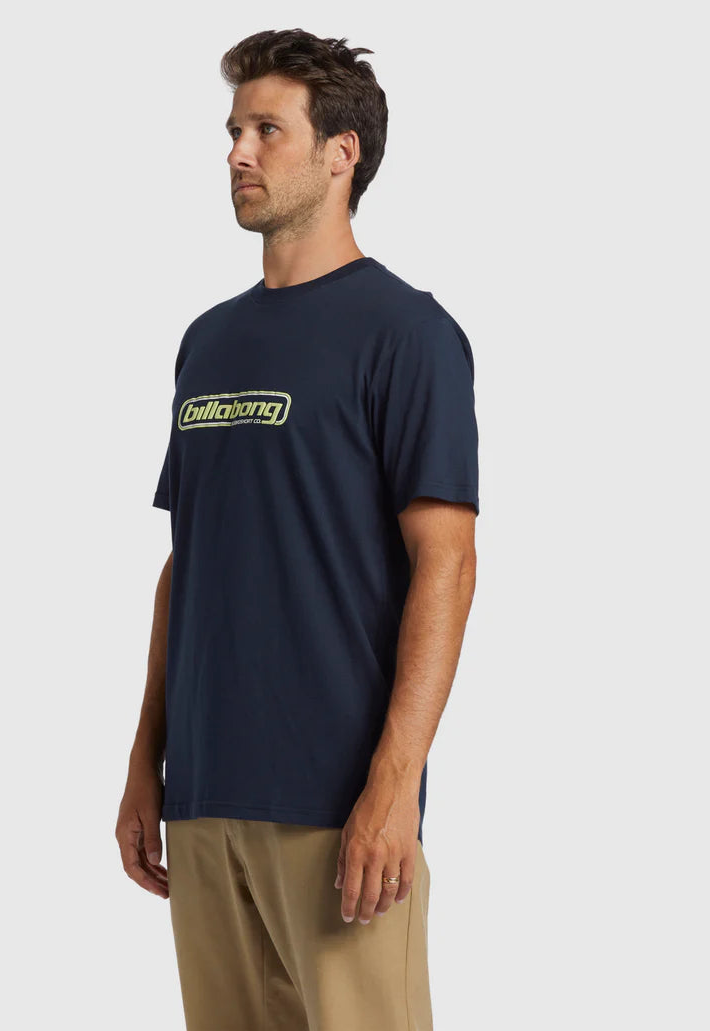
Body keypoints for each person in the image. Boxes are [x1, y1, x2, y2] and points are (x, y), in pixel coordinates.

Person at [115, 27, 479, 1031]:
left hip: (336, 806)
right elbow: (188, 561)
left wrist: (392, 787)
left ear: (340, 153)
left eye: (266, 130)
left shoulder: (408, 335)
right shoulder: (207, 341)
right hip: (205, 798)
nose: (237, 151)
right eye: (234, 129)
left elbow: (447, 562)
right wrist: (147, 760)